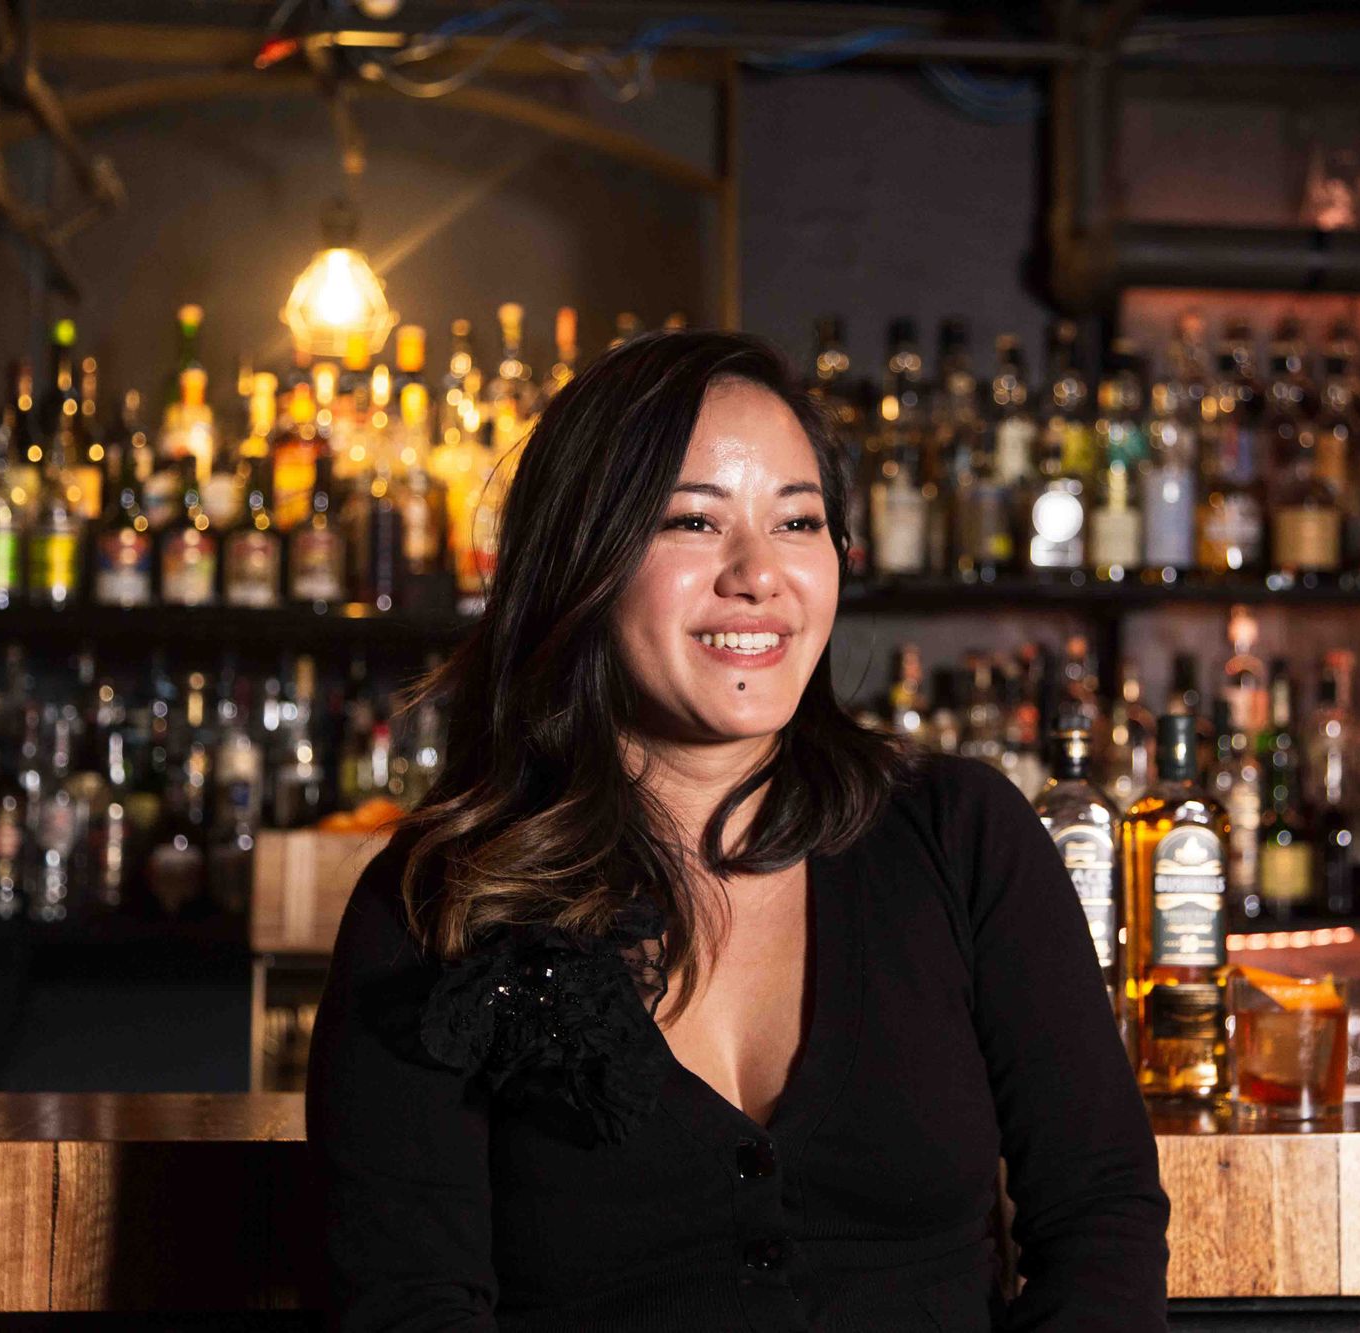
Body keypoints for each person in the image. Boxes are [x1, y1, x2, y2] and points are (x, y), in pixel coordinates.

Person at [306, 329, 1170, 1330]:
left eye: (797, 522)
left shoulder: (959, 836)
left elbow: (1100, 1215)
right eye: (692, 522)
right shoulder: (438, 905)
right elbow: (406, 1304)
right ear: (580, 558)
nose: (759, 573)